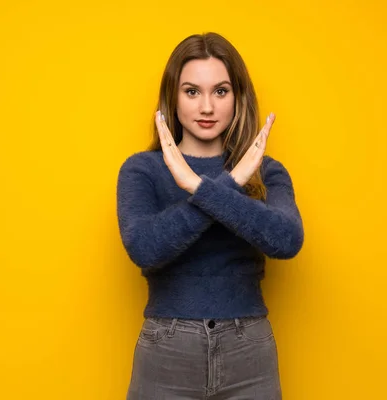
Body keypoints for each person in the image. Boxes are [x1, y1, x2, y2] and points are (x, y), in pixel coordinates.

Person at [117, 32, 304, 399]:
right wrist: (227, 185)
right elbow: (144, 248)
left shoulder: (265, 171)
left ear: (238, 97)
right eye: (191, 91)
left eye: (220, 91)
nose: (206, 107)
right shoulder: (142, 170)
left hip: (248, 351)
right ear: (172, 97)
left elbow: (287, 240)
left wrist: (203, 187)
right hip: (167, 351)